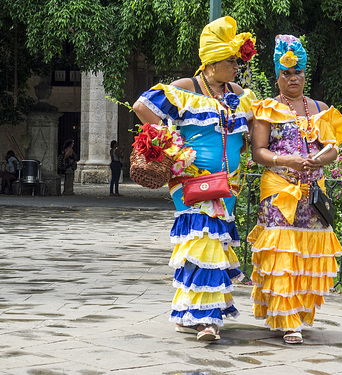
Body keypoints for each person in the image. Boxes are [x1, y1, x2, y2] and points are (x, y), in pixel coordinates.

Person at [132, 16, 257, 341]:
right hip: (193, 179)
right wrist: (168, 142)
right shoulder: (187, 87)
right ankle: (207, 320)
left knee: (203, 245)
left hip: (227, 184)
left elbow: (258, 124)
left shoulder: (239, 93)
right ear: (212, 63)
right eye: (231, 61)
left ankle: (185, 313)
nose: (236, 66)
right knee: (205, 240)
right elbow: (142, 106)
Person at [248, 35, 342, 344]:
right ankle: (286, 320)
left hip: (311, 195)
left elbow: (332, 149)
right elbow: (258, 152)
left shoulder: (320, 108)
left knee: (306, 256)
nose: (293, 79)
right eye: (286, 73)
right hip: (279, 192)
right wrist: (287, 159)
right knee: (281, 257)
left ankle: (299, 315)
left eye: (298, 73)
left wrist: (315, 159)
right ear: (277, 76)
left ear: (305, 73)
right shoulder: (266, 109)